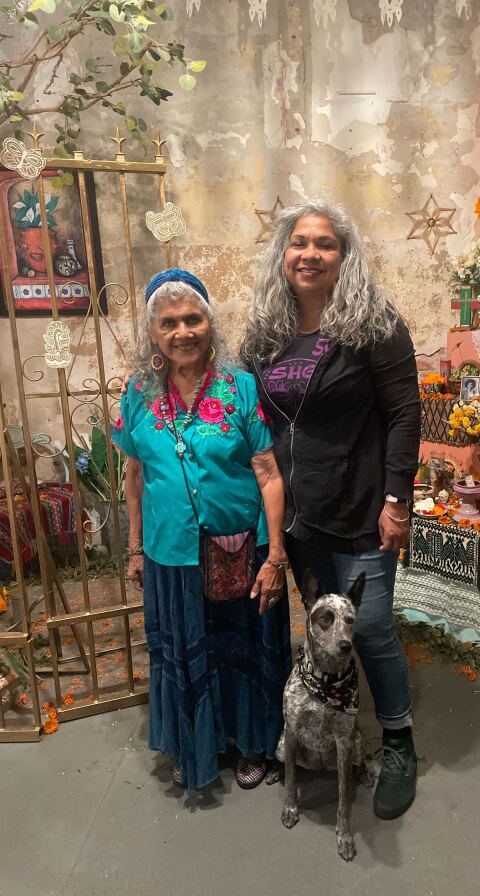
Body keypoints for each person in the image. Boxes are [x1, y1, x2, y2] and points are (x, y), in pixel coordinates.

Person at [240, 200, 421, 821]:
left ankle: (397, 741)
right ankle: (319, 731)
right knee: (319, 628)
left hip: (364, 505)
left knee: (368, 630)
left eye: (325, 244)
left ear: (345, 257)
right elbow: (246, 413)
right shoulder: (266, 330)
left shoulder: (375, 324)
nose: (309, 254)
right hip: (297, 512)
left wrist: (397, 500)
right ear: (282, 254)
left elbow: (403, 414)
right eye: (299, 242)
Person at [113, 268, 291, 793]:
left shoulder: (240, 387)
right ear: (152, 333)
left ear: (211, 325)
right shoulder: (136, 394)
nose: (182, 332)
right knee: (188, 646)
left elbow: (268, 471)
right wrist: (135, 548)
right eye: (168, 323)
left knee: (245, 646)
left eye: (193, 319)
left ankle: (253, 744)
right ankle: (198, 740)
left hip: (240, 546)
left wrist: (275, 553)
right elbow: (134, 476)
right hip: (172, 552)